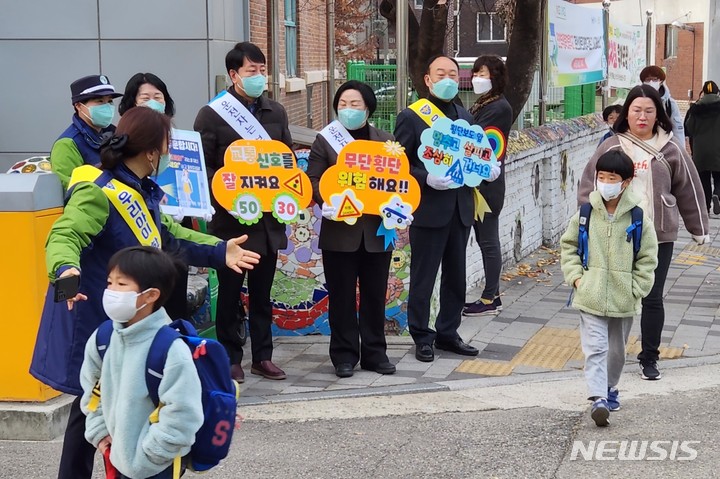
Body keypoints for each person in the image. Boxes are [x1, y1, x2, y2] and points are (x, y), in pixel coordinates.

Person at [30, 107, 260, 479]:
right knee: (90, 407)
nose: (168, 153)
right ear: (153, 151)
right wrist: (64, 269)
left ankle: (129, 464)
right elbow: (65, 234)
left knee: (119, 403)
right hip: (99, 317)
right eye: (166, 144)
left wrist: (220, 250)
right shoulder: (100, 191)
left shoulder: (140, 192)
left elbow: (170, 235)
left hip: (132, 319)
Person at [578, 84, 709, 381]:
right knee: (616, 293)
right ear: (627, 112)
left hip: (657, 235)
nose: (642, 116)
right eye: (636, 110)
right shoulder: (612, 145)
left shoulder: (670, 147)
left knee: (652, 297)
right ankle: (612, 355)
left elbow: (689, 189)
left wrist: (698, 229)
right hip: (616, 235)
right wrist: (587, 222)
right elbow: (588, 184)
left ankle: (649, 357)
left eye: (649, 111)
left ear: (657, 114)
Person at [194, 41, 292, 383]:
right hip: (232, 223)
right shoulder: (212, 114)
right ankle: (231, 357)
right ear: (234, 74)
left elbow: (286, 163)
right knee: (231, 293)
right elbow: (202, 168)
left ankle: (262, 356)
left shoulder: (276, 112)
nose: (259, 77)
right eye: (252, 71)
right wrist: (229, 190)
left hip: (268, 223)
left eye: (262, 70)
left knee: (263, 294)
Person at [80, 247, 203, 479]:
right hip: (115, 455)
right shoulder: (103, 337)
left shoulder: (169, 348)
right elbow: (92, 389)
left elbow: (183, 412)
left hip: (157, 465)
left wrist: (150, 456)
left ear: (151, 295)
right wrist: (99, 431)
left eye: (122, 284)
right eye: (109, 283)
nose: (111, 291)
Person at [307, 81, 397, 378]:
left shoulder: (386, 142)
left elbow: (398, 183)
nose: (348, 109)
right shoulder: (326, 140)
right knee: (342, 297)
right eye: (343, 104)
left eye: (354, 104)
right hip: (339, 232)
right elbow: (314, 179)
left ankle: (375, 353)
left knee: (375, 295)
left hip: (376, 232)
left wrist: (399, 207)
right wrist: (326, 201)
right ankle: (344, 355)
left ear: (368, 108)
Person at [562, 150, 658, 426]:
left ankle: (610, 387)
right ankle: (598, 398)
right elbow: (568, 246)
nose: (605, 182)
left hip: (623, 298)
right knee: (595, 348)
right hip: (589, 295)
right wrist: (577, 279)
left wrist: (636, 287)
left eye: (612, 178)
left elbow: (648, 258)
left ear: (626, 181)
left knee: (616, 350)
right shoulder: (586, 213)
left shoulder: (638, 217)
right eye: (601, 177)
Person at [394, 55, 478, 362]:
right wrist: (425, 177)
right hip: (429, 209)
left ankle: (448, 332)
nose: (447, 80)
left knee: (456, 276)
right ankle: (421, 335)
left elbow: (475, 158)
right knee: (424, 276)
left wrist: (487, 169)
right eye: (440, 74)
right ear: (427, 80)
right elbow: (399, 164)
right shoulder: (412, 117)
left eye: (453, 75)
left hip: (460, 208)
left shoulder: (465, 117)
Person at [462, 55, 512, 317]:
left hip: (486, 185)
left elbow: (474, 140)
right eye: (476, 73)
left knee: (488, 241)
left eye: (484, 74)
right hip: (478, 182)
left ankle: (489, 298)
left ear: (496, 77)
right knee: (485, 239)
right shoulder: (485, 103)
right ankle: (494, 295)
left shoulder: (499, 107)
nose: (478, 79)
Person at [51, 74, 123, 190]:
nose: (107, 107)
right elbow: (68, 188)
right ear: (79, 106)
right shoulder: (67, 144)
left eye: (109, 101)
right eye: (100, 101)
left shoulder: (116, 134)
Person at [684, 80, 720, 214]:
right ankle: (717, 193)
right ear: (717, 92)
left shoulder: (695, 108)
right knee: (719, 177)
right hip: (718, 150)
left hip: (700, 150)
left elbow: (689, 128)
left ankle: (706, 206)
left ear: (703, 92)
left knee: (704, 179)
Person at [640, 65, 685, 146]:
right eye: (648, 79)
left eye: (654, 79)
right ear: (643, 81)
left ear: (661, 81)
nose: (651, 82)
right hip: (642, 144)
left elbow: (678, 131)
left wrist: (681, 152)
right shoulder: (636, 100)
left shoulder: (670, 103)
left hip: (664, 147)